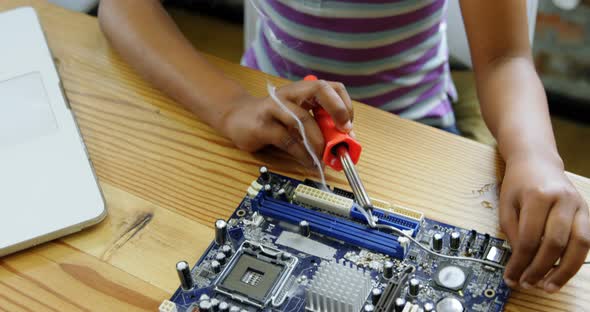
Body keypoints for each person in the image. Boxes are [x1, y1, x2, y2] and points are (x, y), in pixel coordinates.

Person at [98, 0, 589, 293]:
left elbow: (504, 57)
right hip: (272, 126)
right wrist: (230, 108)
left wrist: (535, 154)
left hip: (419, 132)